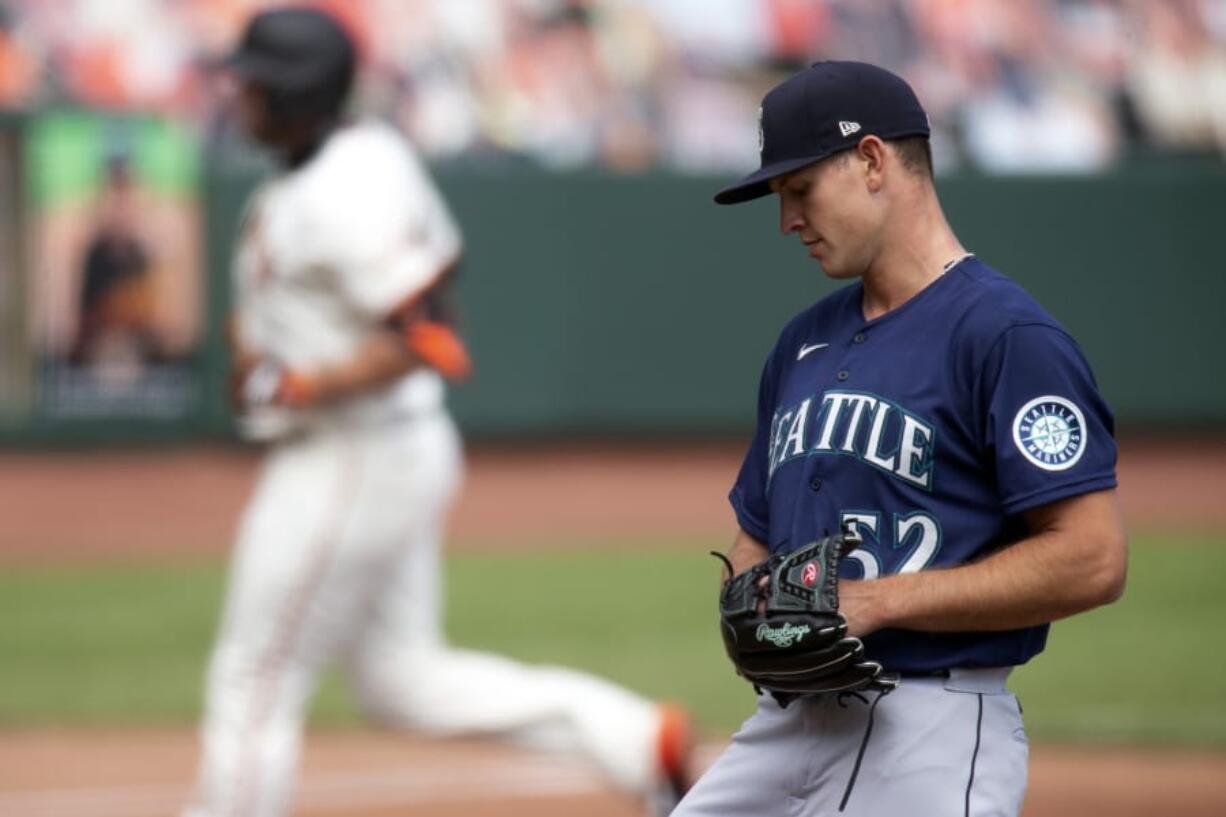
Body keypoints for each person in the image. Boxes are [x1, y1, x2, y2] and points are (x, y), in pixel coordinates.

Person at [182, 8, 691, 817]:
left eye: (251, 80)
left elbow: (429, 331)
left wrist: (303, 384)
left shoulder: (345, 178)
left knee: (255, 674)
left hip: (350, 452)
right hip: (387, 449)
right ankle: (632, 737)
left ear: (295, 93)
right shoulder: (348, 159)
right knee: (401, 680)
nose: (236, 90)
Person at [675, 60, 1128, 817]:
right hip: (789, 723)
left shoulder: (1005, 335)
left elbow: (1093, 556)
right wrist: (752, 602)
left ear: (873, 161)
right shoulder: (803, 341)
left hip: (932, 729)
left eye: (799, 190)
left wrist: (881, 600)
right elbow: (755, 530)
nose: (786, 220)